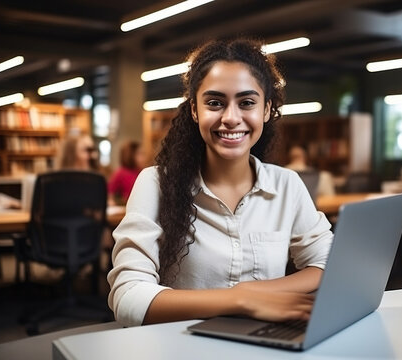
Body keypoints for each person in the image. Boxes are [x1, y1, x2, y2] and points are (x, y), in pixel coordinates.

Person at [107, 38, 333, 327]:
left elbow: (327, 264)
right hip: (182, 344)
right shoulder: (154, 184)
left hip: (264, 342)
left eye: (247, 103)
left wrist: (257, 293)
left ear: (266, 110)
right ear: (194, 110)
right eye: (215, 103)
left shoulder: (287, 184)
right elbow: (128, 296)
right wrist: (242, 300)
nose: (231, 118)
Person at [108, 140, 146, 205]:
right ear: (130, 155)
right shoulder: (121, 173)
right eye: (139, 154)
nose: (143, 158)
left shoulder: (141, 172)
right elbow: (109, 194)